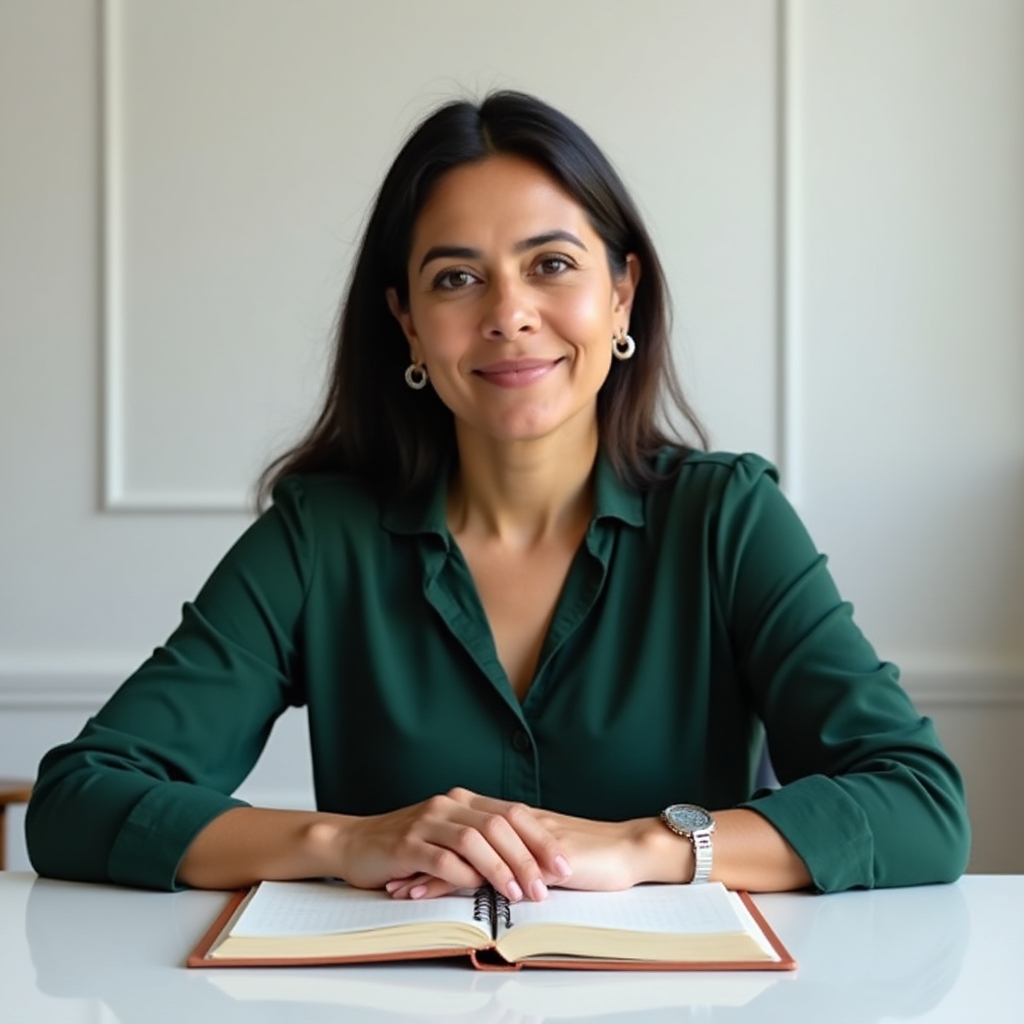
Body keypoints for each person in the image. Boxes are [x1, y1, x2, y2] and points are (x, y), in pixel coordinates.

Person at [26, 92, 969, 901]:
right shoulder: (320, 539)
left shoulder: (726, 519)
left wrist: (642, 849)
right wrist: (344, 842)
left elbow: (920, 805)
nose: (508, 314)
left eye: (551, 264)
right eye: (457, 278)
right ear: (406, 321)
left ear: (622, 293)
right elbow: (79, 799)